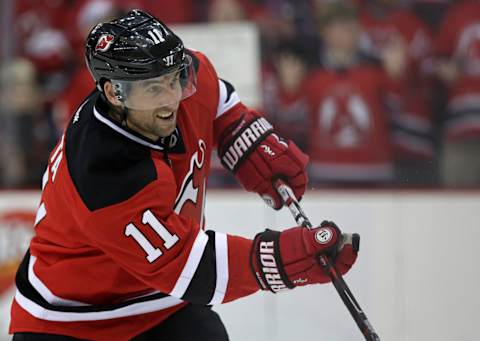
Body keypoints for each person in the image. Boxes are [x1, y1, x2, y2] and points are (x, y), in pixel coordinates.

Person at [9, 10, 359, 341]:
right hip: (72, 320)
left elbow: (217, 97)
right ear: (115, 93)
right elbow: (190, 268)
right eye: (153, 89)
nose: (171, 99)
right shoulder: (102, 171)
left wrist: (244, 136)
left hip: (162, 303)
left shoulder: (179, 76)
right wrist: (287, 258)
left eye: (174, 81)